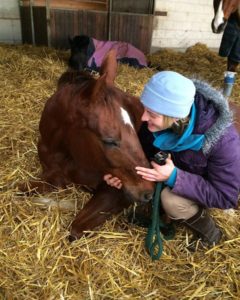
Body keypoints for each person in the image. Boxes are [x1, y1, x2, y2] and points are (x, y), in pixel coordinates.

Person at [104, 71, 240, 248]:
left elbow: (225, 197)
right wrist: (122, 174)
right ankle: (158, 210)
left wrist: (174, 176)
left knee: (171, 200)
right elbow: (144, 154)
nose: (144, 118)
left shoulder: (223, 141)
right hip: (172, 174)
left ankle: (211, 233)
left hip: (205, 189)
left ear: (176, 117)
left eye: (151, 114)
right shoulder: (159, 120)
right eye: (146, 110)